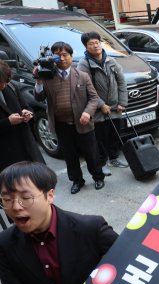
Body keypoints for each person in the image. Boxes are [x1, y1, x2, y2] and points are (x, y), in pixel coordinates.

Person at [0, 162, 118, 284]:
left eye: (25, 198)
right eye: (7, 200)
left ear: (50, 196)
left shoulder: (91, 228)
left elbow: (129, 261)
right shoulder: (5, 244)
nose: (16, 207)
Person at [33, 41, 104, 194]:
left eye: (65, 54)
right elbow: (39, 98)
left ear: (71, 57)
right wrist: (38, 81)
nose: (62, 58)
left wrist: (87, 112)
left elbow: (94, 98)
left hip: (83, 123)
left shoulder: (83, 76)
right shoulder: (47, 77)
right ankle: (77, 181)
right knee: (70, 156)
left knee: (91, 154)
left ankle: (98, 177)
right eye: (58, 55)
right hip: (61, 124)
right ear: (52, 58)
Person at [77, 31, 128, 177]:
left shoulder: (110, 60)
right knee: (100, 138)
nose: (95, 46)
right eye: (91, 44)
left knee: (115, 135)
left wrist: (122, 102)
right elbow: (85, 87)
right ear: (86, 47)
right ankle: (102, 163)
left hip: (115, 106)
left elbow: (121, 81)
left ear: (101, 43)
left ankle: (114, 159)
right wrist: (101, 104)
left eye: (97, 42)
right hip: (98, 109)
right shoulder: (84, 63)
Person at [0, 61, 45, 174]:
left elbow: (26, 106)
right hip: (7, 154)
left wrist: (28, 113)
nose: (3, 85)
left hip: (28, 147)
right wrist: (8, 122)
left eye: (6, 81)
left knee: (39, 181)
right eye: (1, 82)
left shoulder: (11, 86)